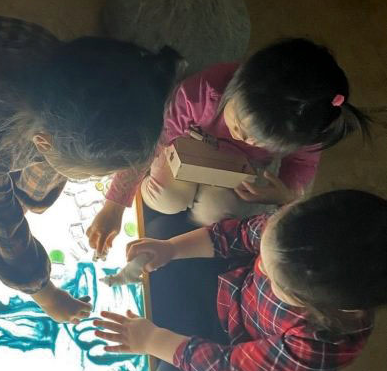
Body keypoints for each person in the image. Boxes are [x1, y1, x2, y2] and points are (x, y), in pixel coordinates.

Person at [0, 15, 183, 323]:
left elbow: (138, 146)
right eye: (88, 175)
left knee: (37, 195)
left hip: (39, 61)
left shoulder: (136, 95)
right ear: (43, 143)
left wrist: (116, 202)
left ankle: (46, 186)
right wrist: (43, 292)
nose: (92, 179)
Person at [93, 190, 386, 371]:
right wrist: (170, 249)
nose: (262, 271)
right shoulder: (291, 231)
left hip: (251, 364)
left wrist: (153, 341)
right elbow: (235, 237)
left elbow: (231, 365)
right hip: (230, 298)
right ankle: (180, 344)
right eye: (262, 261)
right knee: (163, 234)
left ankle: (177, 345)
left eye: (273, 281)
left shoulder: (321, 346)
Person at [88, 38, 371, 256]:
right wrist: (115, 203)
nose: (244, 139)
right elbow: (155, 139)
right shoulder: (203, 92)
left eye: (259, 141)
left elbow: (303, 165)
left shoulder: (305, 129)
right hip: (185, 149)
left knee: (215, 216)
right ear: (235, 87)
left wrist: (285, 192)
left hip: (235, 170)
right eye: (238, 125)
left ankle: (200, 205)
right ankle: (175, 196)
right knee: (164, 199)